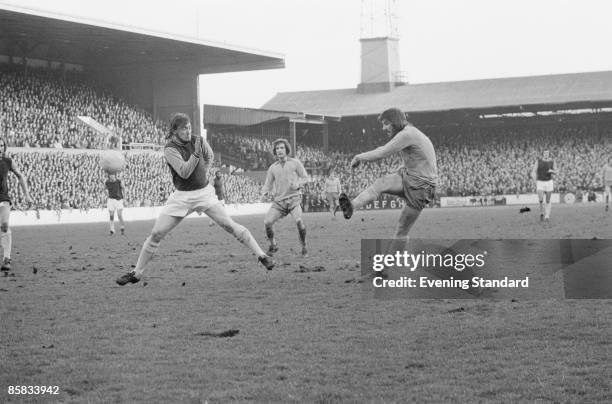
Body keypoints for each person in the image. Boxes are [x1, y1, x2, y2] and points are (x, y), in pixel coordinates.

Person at [116, 113, 274, 285]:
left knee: (229, 224)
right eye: (184, 128)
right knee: (156, 233)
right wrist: (196, 155)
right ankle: (136, 273)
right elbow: (184, 172)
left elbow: (210, 156)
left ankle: (262, 255)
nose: (188, 131)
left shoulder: (198, 140)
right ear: (175, 130)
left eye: (189, 127)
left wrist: (202, 172)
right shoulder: (170, 149)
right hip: (182, 196)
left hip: (204, 193)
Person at [337, 108, 437, 243]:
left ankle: (397, 263)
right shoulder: (409, 133)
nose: (384, 128)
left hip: (422, 187)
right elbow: (386, 150)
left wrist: (359, 157)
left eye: (386, 123)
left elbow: (381, 153)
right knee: (381, 183)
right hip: (411, 176)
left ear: (395, 122)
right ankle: (352, 206)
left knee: (401, 230)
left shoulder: (407, 134)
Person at [261, 138, 309, 257]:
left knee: (299, 221)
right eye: (277, 148)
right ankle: (273, 245)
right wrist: (265, 192)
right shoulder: (272, 168)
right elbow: (267, 184)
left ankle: (304, 246)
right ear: (275, 151)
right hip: (279, 202)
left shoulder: (295, 163)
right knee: (267, 222)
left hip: (294, 199)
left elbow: (306, 178)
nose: (279, 150)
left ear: (286, 149)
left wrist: (298, 184)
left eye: (282, 148)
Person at [0, 139, 33, 272]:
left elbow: (20, 176)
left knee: (4, 225)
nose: (0, 147)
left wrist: (27, 195)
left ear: (4, 147)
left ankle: (6, 259)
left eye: (1, 145)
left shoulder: (8, 161)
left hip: (3, 198)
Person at [532, 150, 557, 222]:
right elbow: (534, 170)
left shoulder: (552, 161)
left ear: (549, 154)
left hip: (549, 182)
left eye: (547, 153)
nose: (546, 154)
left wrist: (552, 171)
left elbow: (556, 171)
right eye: (545, 153)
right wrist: (534, 178)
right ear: (543, 154)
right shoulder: (538, 161)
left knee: (548, 200)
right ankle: (541, 213)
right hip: (540, 182)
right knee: (541, 199)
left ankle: (547, 216)